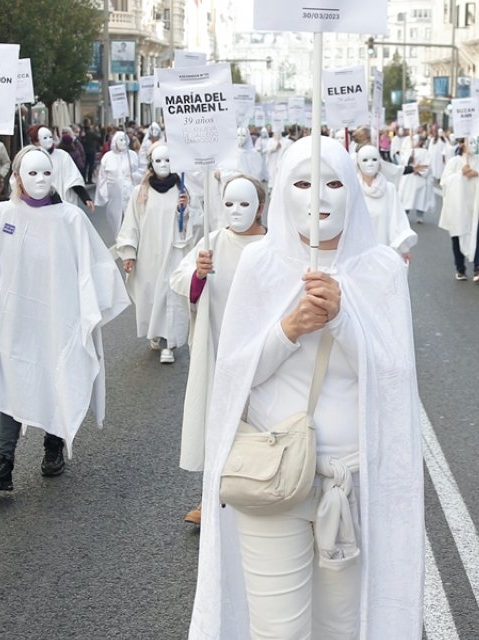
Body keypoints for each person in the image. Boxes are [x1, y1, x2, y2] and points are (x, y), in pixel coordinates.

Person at [189, 136, 423, 639]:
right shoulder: (260, 264)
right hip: (272, 479)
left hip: (350, 485)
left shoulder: (382, 270)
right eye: (302, 183)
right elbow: (234, 376)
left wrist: (342, 321)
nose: (318, 198)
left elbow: (394, 379)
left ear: (353, 194)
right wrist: (289, 329)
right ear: (282, 192)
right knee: (278, 633)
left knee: (341, 629)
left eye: (334, 183)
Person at [0, 146, 130, 491]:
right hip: (14, 320)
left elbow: (94, 269)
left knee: (56, 374)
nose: (39, 180)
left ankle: (53, 446)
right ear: (18, 177)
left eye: (46, 173)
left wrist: (87, 307)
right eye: (32, 173)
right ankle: (3, 462)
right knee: (12, 382)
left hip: (57, 317)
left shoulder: (70, 219)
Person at [170, 173, 268, 526]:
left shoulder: (275, 246)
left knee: (260, 425)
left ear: (261, 207)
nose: (236, 211)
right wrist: (198, 273)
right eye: (229, 204)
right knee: (219, 424)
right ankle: (211, 500)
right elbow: (181, 281)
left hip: (266, 350)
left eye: (245, 204)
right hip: (219, 347)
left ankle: (262, 494)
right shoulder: (211, 242)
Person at [115, 143, 198, 364]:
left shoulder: (182, 190)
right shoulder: (140, 192)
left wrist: (184, 210)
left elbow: (193, 224)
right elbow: (131, 223)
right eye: (159, 160)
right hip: (149, 255)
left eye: (168, 160)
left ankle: (168, 344)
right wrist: (129, 252)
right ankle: (156, 334)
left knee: (170, 296)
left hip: (173, 252)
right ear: (151, 163)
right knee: (151, 296)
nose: (163, 165)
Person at [440, 137, 479, 282]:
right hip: (457, 207)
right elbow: (444, 182)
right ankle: (460, 268)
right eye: (469, 142)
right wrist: (460, 174)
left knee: (477, 235)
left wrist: (478, 174)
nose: (473, 145)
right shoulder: (454, 162)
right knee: (457, 236)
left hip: (475, 207)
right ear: (462, 144)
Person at [356, 145, 416, 260]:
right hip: (359, 251)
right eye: (365, 160)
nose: (370, 163)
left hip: (384, 249)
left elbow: (398, 220)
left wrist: (404, 249)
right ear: (358, 163)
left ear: (379, 162)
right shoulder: (353, 189)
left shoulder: (389, 189)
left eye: (374, 159)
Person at [29, 125, 92, 212]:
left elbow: (72, 178)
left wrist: (85, 197)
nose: (49, 140)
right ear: (36, 141)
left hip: (61, 204)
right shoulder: (30, 158)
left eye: (50, 137)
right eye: (45, 138)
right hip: (39, 206)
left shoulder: (62, 156)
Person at [95, 130, 142, 234]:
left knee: (132, 219)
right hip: (114, 195)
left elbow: (140, 172)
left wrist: (134, 176)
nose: (123, 143)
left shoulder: (132, 155)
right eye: (121, 140)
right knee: (116, 220)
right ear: (115, 141)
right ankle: (118, 240)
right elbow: (102, 177)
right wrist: (104, 195)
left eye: (125, 140)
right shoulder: (107, 157)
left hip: (130, 192)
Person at [400, 133, 434, 224]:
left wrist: (418, 171)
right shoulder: (409, 151)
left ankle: (420, 216)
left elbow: (427, 164)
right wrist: (409, 160)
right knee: (407, 198)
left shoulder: (425, 152)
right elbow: (403, 162)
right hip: (409, 178)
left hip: (419, 178)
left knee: (420, 198)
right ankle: (405, 214)